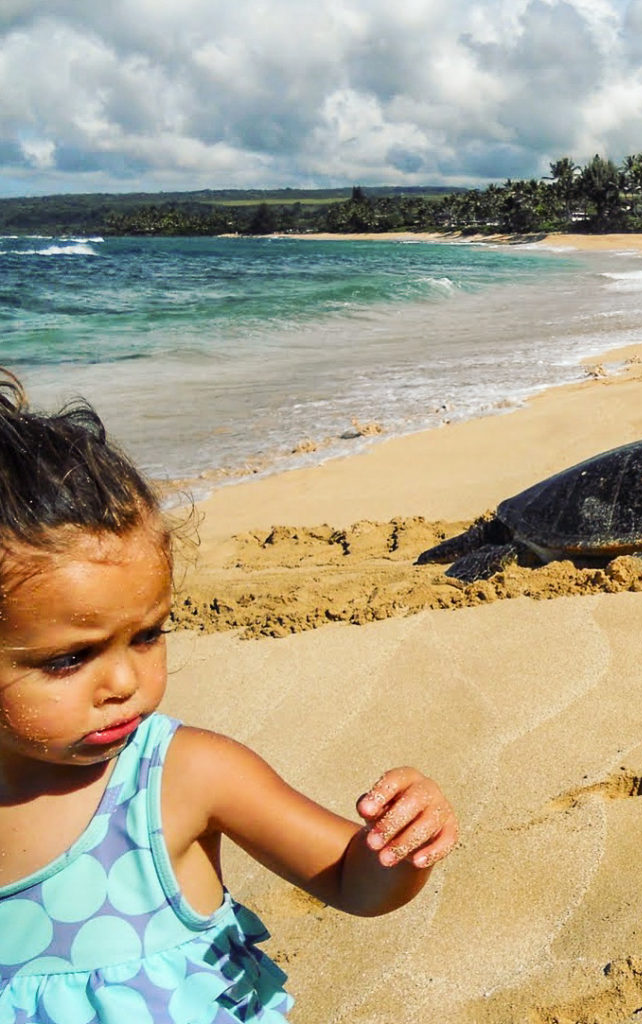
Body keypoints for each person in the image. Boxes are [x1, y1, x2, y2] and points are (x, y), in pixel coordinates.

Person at [0, 368, 458, 1023]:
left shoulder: (181, 778)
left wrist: (402, 846)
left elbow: (352, 881)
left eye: (148, 635)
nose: (125, 682)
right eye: (71, 658)